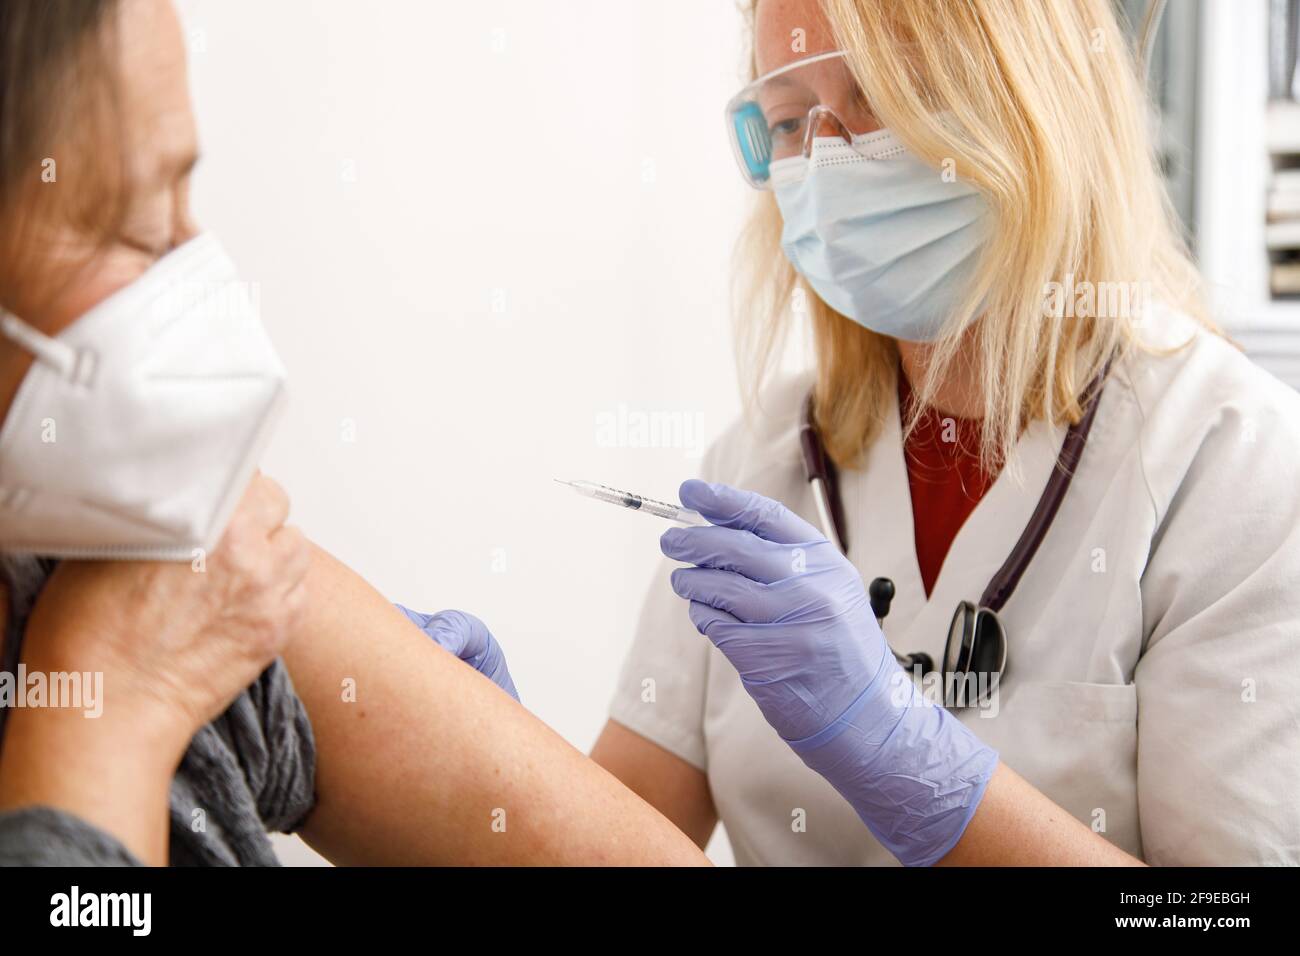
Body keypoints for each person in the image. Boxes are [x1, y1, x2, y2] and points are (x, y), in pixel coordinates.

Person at [0, 0, 708, 867]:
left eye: (184, 198)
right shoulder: (138, 619)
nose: (196, 280)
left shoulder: (151, 568)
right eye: (137, 225)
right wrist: (114, 699)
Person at [592, 0, 1300, 865]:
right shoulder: (769, 453)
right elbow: (617, 825)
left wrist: (911, 763)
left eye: (880, 99)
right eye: (787, 121)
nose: (826, 159)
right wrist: (483, 753)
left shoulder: (1235, 463)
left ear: (1036, 101)